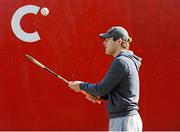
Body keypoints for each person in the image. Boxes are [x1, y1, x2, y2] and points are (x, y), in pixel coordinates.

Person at [68, 26, 143, 131]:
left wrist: (81, 86)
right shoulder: (126, 61)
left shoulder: (121, 62)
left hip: (123, 120)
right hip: (125, 119)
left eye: (107, 40)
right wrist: (99, 96)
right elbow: (111, 92)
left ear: (119, 41)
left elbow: (101, 89)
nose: (104, 43)